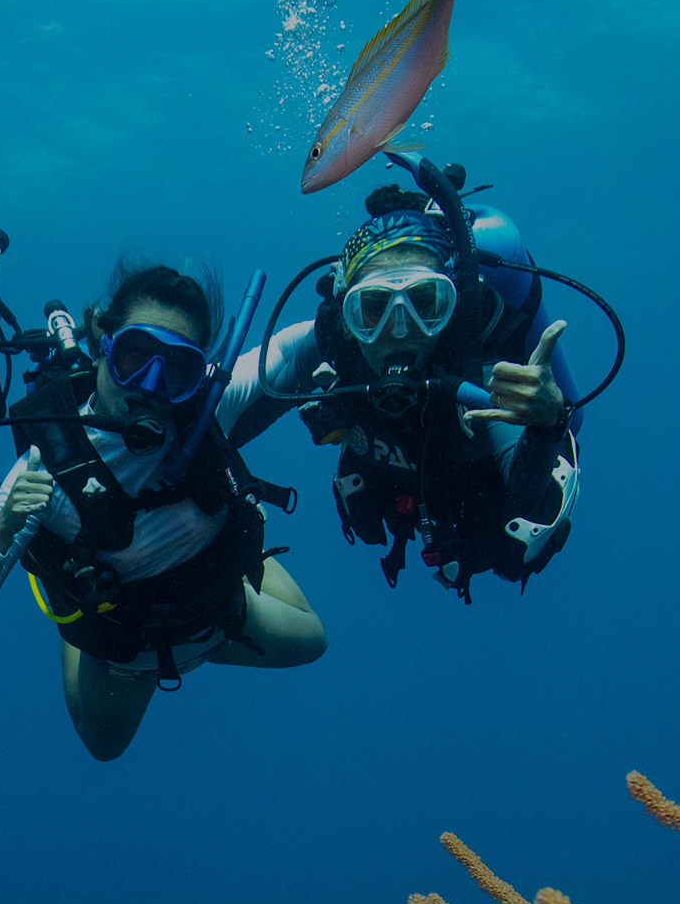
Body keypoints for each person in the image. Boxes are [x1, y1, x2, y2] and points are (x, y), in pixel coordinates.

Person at [0, 262, 328, 762]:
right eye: (135, 355)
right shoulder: (46, 468)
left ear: (199, 375)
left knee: (314, 640)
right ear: (104, 344)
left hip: (222, 614)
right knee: (101, 745)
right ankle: (67, 610)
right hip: (129, 658)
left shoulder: (208, 412)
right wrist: (4, 528)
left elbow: (293, 345)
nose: (150, 385)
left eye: (176, 370)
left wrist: (359, 298)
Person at [228, 180, 582, 600]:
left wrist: (544, 425)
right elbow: (224, 397)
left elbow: (524, 491)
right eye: (373, 308)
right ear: (346, 315)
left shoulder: (481, 373)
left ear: (451, 308)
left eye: (424, 302)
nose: (398, 331)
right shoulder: (332, 342)